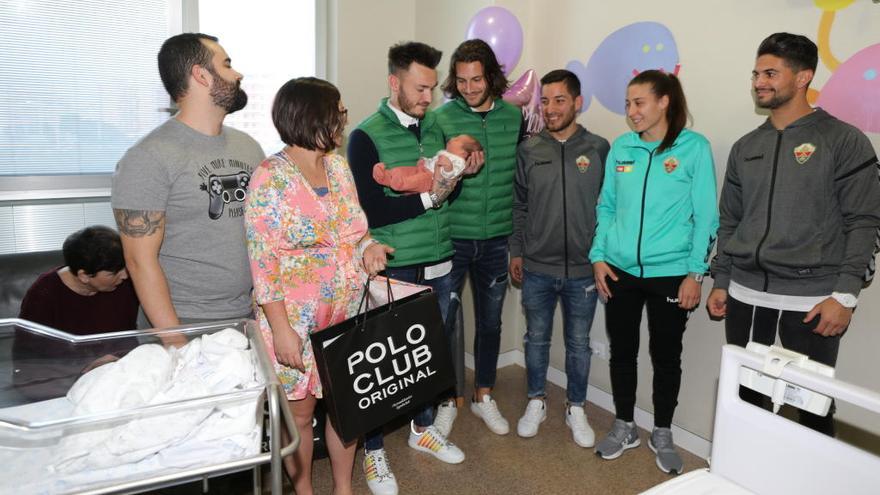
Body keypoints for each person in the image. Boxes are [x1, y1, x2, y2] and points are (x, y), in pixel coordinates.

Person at [707, 33, 880, 436]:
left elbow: (865, 221)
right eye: (756, 73)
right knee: (746, 404)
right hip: (746, 299)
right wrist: (722, 281)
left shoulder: (843, 140)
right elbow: (731, 221)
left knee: (812, 411)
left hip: (812, 302)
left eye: (770, 73)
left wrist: (845, 295)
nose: (759, 82)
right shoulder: (746, 146)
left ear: (803, 77)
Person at [245, 77, 390, 495]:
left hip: (347, 315)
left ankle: (343, 488)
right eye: (338, 111)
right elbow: (263, 262)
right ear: (313, 115)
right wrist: (283, 330)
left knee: (347, 410)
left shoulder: (339, 167)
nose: (343, 118)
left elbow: (354, 231)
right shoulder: (269, 178)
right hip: (293, 322)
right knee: (302, 416)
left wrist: (370, 247)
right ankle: (304, 488)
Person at [347, 41, 467, 495]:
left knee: (429, 357)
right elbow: (370, 211)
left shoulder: (438, 126)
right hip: (396, 266)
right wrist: (426, 196)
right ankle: (374, 451)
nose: (427, 97)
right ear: (394, 83)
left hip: (440, 258)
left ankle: (421, 429)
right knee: (383, 364)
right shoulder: (365, 136)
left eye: (432, 88)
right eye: (420, 88)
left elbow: (446, 191)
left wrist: (453, 179)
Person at [591, 70, 718, 474]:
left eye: (638, 102)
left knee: (667, 356)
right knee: (622, 352)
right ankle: (625, 424)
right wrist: (598, 256)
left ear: (664, 101)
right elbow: (606, 207)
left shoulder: (694, 148)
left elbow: (706, 217)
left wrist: (695, 274)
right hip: (619, 271)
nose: (631, 112)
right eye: (628, 104)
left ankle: (661, 430)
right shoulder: (621, 148)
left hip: (671, 274)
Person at [111, 33, 264, 330]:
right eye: (227, 64)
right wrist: (175, 341)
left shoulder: (249, 146)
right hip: (187, 323)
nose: (238, 74)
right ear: (201, 75)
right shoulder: (147, 157)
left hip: (247, 316)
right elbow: (140, 262)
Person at [509, 69, 608, 448]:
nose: (550, 109)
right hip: (536, 266)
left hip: (584, 270)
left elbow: (611, 207)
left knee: (579, 343)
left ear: (577, 103)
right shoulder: (529, 149)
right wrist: (517, 250)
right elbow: (519, 206)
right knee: (536, 339)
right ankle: (536, 400)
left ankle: (576, 406)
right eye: (545, 101)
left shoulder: (599, 149)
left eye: (559, 100)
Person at [434, 38, 524, 437]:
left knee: (490, 322)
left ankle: (482, 393)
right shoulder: (441, 119)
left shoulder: (514, 117)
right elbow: (430, 176)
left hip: (497, 240)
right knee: (446, 323)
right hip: (452, 237)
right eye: (462, 80)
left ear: (491, 77)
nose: (469, 88)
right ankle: (446, 398)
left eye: (476, 79)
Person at [12, 226, 139, 400]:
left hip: (113, 370)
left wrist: (117, 357)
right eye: (114, 272)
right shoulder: (44, 293)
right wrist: (83, 367)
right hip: (58, 377)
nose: (124, 275)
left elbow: (129, 335)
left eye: (124, 267)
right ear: (84, 276)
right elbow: (29, 356)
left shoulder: (124, 286)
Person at [372, 134, 482, 194]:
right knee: (404, 170)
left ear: (463, 152)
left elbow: (455, 174)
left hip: (431, 179)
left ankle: (399, 184)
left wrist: (448, 168)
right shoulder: (446, 152)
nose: (452, 138)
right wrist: (425, 161)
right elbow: (433, 161)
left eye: (457, 140)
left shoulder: (459, 161)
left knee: (415, 179)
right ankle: (385, 176)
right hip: (424, 169)